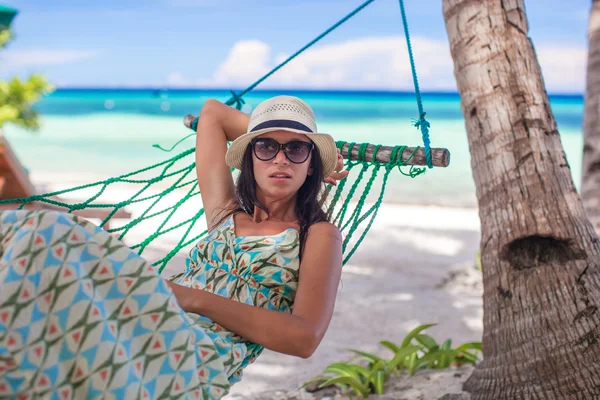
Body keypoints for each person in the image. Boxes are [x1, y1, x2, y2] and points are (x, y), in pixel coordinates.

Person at [0, 95, 349, 399]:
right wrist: (286, 141)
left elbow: (304, 339)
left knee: (51, 234)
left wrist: (191, 298)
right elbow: (213, 113)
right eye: (266, 147)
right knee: (29, 231)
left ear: (312, 164)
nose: (281, 160)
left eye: (297, 149)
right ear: (249, 158)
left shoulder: (317, 234)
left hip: (190, 356)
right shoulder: (225, 212)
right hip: (143, 317)